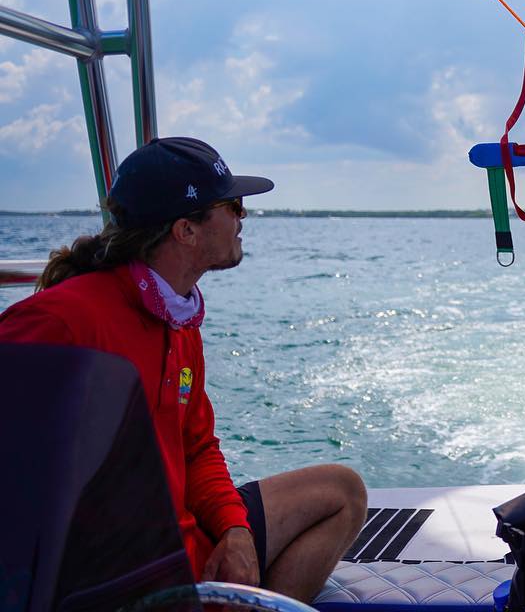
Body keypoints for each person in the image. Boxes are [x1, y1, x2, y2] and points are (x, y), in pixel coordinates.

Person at [0, 137, 367, 601]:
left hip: (181, 543)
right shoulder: (60, 322)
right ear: (185, 231)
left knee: (341, 492)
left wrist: (235, 529)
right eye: (231, 206)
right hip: (115, 576)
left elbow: (196, 447)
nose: (243, 219)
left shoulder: (178, 316)